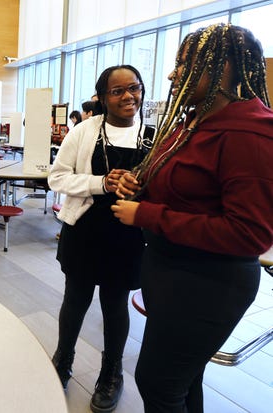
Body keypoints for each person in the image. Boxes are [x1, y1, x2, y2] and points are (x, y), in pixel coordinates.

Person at [112, 24, 273, 413]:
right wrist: (139, 184)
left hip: (208, 285)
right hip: (171, 273)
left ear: (228, 68)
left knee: (158, 383)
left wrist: (148, 213)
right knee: (184, 381)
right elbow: (184, 189)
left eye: (185, 65)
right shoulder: (192, 123)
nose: (172, 75)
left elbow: (249, 234)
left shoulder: (250, 135)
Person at [48, 65, 149, 412]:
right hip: (85, 230)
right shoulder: (84, 131)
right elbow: (57, 178)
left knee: (115, 306)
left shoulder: (151, 136)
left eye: (133, 88)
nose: (127, 97)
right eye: (117, 91)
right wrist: (101, 183)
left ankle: (111, 373)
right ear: (103, 97)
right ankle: (62, 360)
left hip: (128, 235)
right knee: (75, 298)